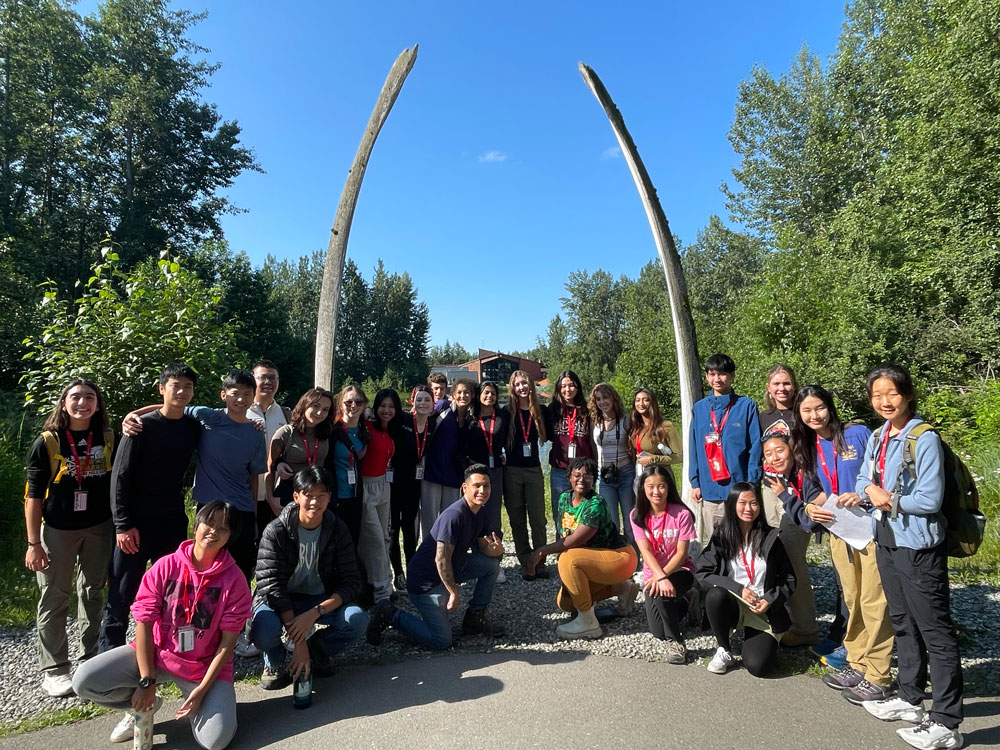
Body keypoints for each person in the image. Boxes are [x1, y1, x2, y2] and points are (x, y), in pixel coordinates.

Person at [73, 501, 252, 750]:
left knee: (216, 741)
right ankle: (146, 703)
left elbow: (227, 644)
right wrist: (147, 681)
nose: (213, 531)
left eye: (223, 528)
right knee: (84, 680)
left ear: (230, 536)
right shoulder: (165, 566)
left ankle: (204, 706)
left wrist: (201, 691)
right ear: (197, 524)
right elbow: (143, 623)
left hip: (203, 668)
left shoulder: (235, 581)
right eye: (209, 523)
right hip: (157, 656)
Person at [852, 364, 963, 749]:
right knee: (902, 621)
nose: (884, 401)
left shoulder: (924, 438)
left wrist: (887, 498)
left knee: (935, 630)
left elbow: (930, 499)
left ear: (908, 394)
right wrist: (870, 489)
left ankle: (947, 722)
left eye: (892, 394)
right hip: (886, 539)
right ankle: (911, 698)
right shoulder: (879, 435)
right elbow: (861, 479)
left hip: (918, 546)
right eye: (877, 395)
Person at [791, 384, 894, 703]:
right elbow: (811, 490)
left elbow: (883, 475)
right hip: (839, 530)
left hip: (871, 527)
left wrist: (863, 495)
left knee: (875, 600)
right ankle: (857, 661)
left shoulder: (859, 433)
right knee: (853, 598)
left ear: (830, 407)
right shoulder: (805, 446)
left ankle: (878, 674)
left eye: (819, 408)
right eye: (806, 411)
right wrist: (810, 507)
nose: (813, 415)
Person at [124, 369, 268, 583]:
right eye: (235, 393)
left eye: (247, 394)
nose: (241, 399)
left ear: (253, 397)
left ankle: (237, 615)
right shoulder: (207, 416)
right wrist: (133, 415)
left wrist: (254, 516)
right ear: (223, 395)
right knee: (203, 567)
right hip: (208, 509)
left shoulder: (257, 433)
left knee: (240, 570)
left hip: (242, 510)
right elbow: (172, 407)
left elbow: (253, 477)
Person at [100, 364, 201, 653]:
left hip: (171, 520)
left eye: (187, 387)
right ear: (162, 388)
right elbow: (119, 478)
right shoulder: (141, 427)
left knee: (173, 590)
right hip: (135, 522)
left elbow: (224, 416)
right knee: (122, 591)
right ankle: (108, 655)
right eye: (175, 385)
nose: (181, 391)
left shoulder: (192, 427)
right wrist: (122, 525)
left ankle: (168, 651)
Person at [25, 379, 116, 697]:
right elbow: (33, 497)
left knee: (93, 593)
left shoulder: (107, 437)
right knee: (55, 596)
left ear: (97, 404)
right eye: (75, 397)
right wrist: (34, 543)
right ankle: (55, 669)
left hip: (100, 527)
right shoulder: (48, 441)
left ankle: (90, 659)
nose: (83, 403)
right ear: (64, 404)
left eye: (90, 397)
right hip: (58, 531)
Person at [249, 467, 368, 692]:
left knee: (358, 620)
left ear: (330, 497)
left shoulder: (337, 529)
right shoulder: (276, 531)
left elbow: (351, 582)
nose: (315, 502)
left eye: (321, 495)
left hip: (318, 599)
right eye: (309, 495)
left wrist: (314, 614)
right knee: (264, 626)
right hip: (281, 600)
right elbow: (270, 587)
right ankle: (274, 660)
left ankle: (318, 650)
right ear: (296, 497)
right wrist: (298, 642)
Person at [365, 464, 506, 649]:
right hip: (425, 581)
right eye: (476, 486)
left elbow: (484, 547)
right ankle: (392, 615)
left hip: (454, 567)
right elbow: (441, 560)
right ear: (464, 488)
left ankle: (474, 617)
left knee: (491, 566)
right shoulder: (454, 516)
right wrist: (454, 592)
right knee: (441, 640)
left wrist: (497, 550)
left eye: (486, 486)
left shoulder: (481, 512)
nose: (482, 490)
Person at [526, 457, 639, 640]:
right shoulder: (564, 498)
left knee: (568, 559)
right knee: (566, 603)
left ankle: (588, 623)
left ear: (594, 479)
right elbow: (565, 534)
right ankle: (623, 589)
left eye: (587, 475)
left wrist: (540, 551)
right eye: (577, 475)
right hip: (593, 559)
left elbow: (574, 541)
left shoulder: (596, 503)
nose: (581, 479)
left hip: (620, 557)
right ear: (569, 477)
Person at [696, 483, 796, 677]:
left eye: (754, 503)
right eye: (742, 503)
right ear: (732, 504)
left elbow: (789, 578)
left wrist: (770, 599)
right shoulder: (722, 536)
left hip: (763, 609)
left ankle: (761, 637)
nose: (748, 509)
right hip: (735, 602)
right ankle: (724, 648)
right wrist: (738, 588)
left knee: (758, 667)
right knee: (716, 594)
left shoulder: (771, 538)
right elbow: (703, 573)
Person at [689, 354, 762, 539]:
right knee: (716, 542)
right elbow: (694, 447)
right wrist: (695, 482)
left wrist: (752, 481)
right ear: (706, 377)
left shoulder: (746, 406)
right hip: (709, 485)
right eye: (712, 374)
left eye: (722, 374)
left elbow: (755, 445)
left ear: (732, 375)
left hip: (738, 486)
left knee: (741, 539)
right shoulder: (699, 408)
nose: (717, 379)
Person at [630, 465, 696, 664]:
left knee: (661, 592)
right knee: (657, 631)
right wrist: (659, 577)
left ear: (669, 488)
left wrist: (663, 576)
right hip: (655, 575)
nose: (656, 491)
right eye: (650, 486)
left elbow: (682, 553)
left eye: (661, 486)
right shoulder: (637, 515)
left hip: (680, 570)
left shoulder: (682, 514)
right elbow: (646, 551)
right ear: (643, 488)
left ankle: (676, 643)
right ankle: (687, 602)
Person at [760, 431, 821, 647]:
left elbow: (808, 518)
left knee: (794, 569)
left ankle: (805, 630)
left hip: (815, 521)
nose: (774, 457)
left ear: (792, 450)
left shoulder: (805, 473)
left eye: (780, 450)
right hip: (795, 513)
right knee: (783, 563)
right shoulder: (782, 475)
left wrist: (785, 496)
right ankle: (791, 623)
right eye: (769, 454)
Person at [503, 369, 550, 580]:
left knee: (538, 518)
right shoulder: (506, 412)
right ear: (512, 388)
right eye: (517, 384)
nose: (522, 387)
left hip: (533, 470)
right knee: (517, 518)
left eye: (525, 383)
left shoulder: (541, 411)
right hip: (511, 470)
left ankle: (539, 560)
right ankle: (525, 561)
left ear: (531, 385)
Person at [389, 385, 434, 592]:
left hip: (415, 484)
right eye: (419, 400)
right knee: (393, 529)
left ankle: (412, 570)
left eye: (427, 400)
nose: (423, 403)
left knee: (410, 530)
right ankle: (398, 574)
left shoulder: (433, 425)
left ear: (433, 404)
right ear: (412, 402)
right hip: (394, 482)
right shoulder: (403, 421)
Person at [359, 389, 401, 604]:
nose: (386, 410)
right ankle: (380, 593)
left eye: (391, 406)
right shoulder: (366, 426)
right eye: (382, 405)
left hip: (384, 485)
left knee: (384, 538)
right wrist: (364, 411)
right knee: (373, 540)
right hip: (366, 487)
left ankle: (386, 582)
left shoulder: (390, 430)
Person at [420, 379, 476, 538]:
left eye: (466, 392)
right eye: (459, 392)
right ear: (453, 395)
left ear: (472, 395)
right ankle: (428, 555)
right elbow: (423, 422)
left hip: (454, 475)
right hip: (433, 471)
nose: (463, 395)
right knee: (430, 520)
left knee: (450, 518)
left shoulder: (471, 418)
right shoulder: (443, 408)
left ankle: (447, 557)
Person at [467, 380, 509, 581]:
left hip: (495, 472)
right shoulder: (470, 417)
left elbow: (510, 440)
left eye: (493, 393)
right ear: (479, 395)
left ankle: (496, 562)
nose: (489, 396)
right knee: (474, 516)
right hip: (475, 472)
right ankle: (477, 559)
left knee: (493, 516)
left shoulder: (502, 416)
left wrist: (505, 456)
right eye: (485, 393)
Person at [265, 388, 333, 510]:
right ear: (305, 404)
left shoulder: (327, 433)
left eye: (325, 410)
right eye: (315, 406)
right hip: (289, 494)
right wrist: (270, 499)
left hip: (317, 495)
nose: (319, 413)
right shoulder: (286, 433)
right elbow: (269, 466)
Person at [546, 370, 595, 532]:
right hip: (560, 471)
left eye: (571, 385)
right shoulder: (551, 411)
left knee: (584, 514)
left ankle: (583, 552)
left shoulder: (587, 412)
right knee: (561, 514)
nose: (568, 390)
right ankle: (562, 552)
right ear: (558, 389)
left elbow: (593, 441)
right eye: (563, 386)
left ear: (578, 387)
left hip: (584, 472)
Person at [248, 360, 291, 540]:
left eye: (272, 378)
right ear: (252, 380)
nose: (268, 382)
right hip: (245, 492)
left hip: (275, 494)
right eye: (263, 377)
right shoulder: (240, 410)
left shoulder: (286, 414)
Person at [323, 384, 369, 550]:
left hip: (355, 494)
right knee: (335, 542)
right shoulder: (332, 430)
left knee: (353, 541)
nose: (353, 406)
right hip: (336, 495)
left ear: (364, 405)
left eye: (358, 402)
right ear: (340, 404)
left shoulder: (365, 429)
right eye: (349, 402)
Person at [590, 383, 636, 541]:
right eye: (598, 399)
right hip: (604, 475)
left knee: (630, 519)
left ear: (613, 398)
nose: (602, 402)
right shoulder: (595, 422)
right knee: (610, 520)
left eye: (605, 398)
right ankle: (619, 558)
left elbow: (635, 447)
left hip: (625, 473)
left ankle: (634, 556)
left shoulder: (626, 420)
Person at [628, 388, 683, 498]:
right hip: (641, 476)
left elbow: (679, 457)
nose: (641, 404)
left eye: (645, 400)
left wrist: (653, 459)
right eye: (637, 400)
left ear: (652, 403)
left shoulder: (665, 426)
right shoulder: (636, 427)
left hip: (660, 478)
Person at [760, 364, 798, 435]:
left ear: (794, 386)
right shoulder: (762, 418)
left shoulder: (802, 416)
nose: (782, 388)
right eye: (776, 384)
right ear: (768, 387)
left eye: (786, 383)